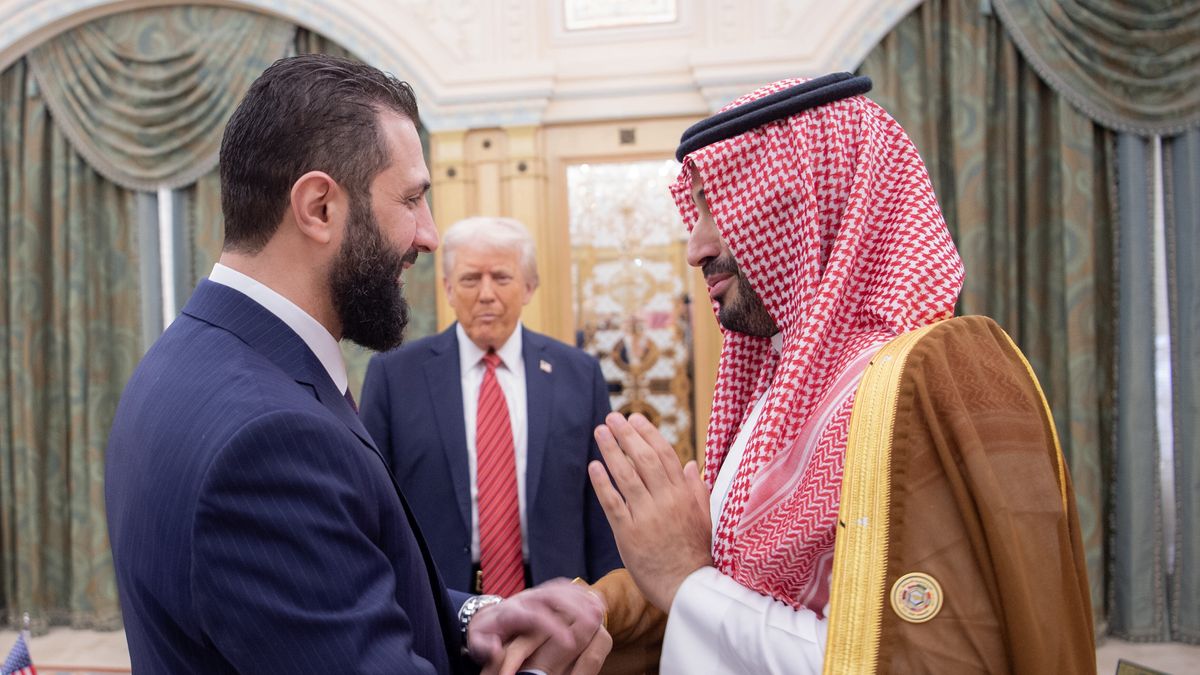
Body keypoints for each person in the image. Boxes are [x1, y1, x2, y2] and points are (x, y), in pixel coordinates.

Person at [105, 54, 608, 675]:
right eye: (412, 200)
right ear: (319, 207)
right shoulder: (269, 441)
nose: (429, 235)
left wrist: (472, 615)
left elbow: (330, 582)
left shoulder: (195, 358)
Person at [586, 73, 1096, 673]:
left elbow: (925, 657)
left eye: (714, 208)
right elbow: (732, 588)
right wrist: (594, 609)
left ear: (801, 201)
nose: (694, 247)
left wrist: (686, 583)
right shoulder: (784, 383)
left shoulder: (931, 381)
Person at [361, 216, 621, 597]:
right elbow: (375, 504)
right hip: (438, 603)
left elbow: (602, 507)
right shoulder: (394, 376)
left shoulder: (579, 375)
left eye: (501, 278)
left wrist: (607, 605)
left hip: (559, 601)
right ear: (448, 288)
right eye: (470, 279)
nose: (486, 294)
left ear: (529, 287)